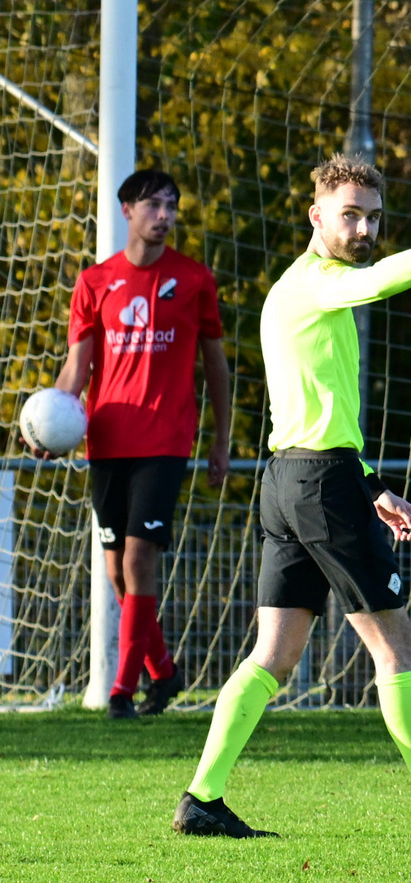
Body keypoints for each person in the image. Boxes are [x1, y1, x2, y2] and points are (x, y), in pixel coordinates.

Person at [174, 156, 411, 838]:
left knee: (272, 656)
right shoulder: (319, 283)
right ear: (316, 217)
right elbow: (377, 280)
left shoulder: (297, 288)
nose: (363, 228)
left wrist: (372, 487)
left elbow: (322, 409)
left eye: (372, 216)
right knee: (395, 649)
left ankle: (203, 797)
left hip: (293, 480)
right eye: (350, 215)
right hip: (318, 485)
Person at [35, 169, 231, 720]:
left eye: (172, 206)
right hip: (106, 439)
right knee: (117, 569)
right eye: (154, 205)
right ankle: (162, 670)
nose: (165, 215)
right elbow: (78, 365)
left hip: (166, 438)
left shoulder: (193, 280)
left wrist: (220, 439)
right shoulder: (95, 282)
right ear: (126, 210)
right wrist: (55, 424)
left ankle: (122, 692)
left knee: (141, 557)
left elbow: (215, 365)